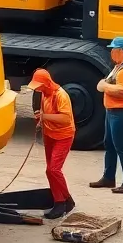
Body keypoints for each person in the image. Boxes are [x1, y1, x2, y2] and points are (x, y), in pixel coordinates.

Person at [89, 36, 123, 193]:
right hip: (112, 111)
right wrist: (103, 85)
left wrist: (104, 86)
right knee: (109, 144)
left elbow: (122, 90)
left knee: (121, 147)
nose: (111, 53)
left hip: (120, 112)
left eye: (113, 50)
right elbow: (102, 84)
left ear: (121, 51)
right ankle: (108, 177)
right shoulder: (118, 67)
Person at [28, 68, 75, 219]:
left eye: (39, 86)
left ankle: (67, 200)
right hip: (49, 134)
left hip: (63, 136)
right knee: (49, 170)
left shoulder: (61, 95)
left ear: (47, 83)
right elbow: (44, 113)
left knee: (54, 169)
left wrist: (44, 116)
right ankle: (58, 201)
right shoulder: (44, 93)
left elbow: (65, 119)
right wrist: (40, 119)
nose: (37, 89)